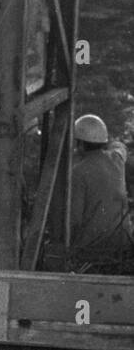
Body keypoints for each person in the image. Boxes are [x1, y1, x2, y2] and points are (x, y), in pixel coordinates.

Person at [66, 113, 131, 271]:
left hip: (92, 252)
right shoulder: (117, 160)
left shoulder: (78, 173)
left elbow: (74, 219)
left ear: (80, 144)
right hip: (123, 244)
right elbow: (121, 147)